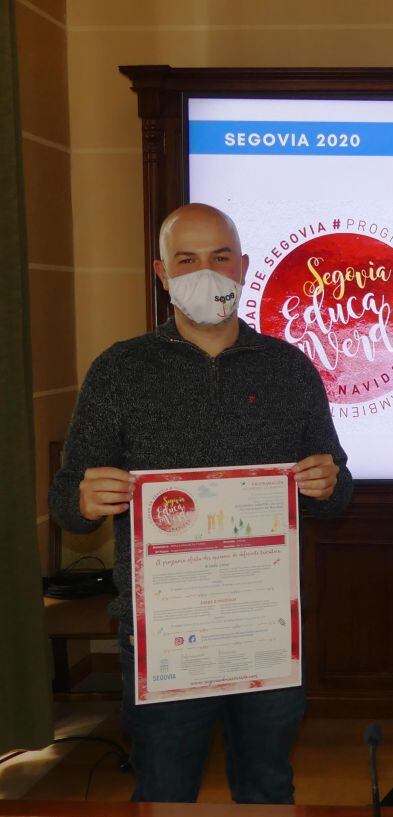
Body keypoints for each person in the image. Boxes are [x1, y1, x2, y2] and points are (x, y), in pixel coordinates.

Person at [49, 203, 353, 803]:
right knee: (164, 791)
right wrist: (86, 499)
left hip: (263, 626)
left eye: (219, 258)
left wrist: (327, 483)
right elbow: (65, 502)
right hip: (163, 635)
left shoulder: (289, 370)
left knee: (267, 786)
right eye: (187, 260)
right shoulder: (119, 371)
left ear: (243, 266)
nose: (205, 273)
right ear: (162, 273)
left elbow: (335, 493)